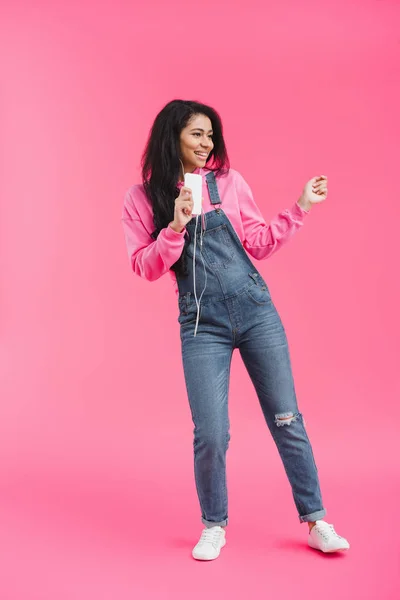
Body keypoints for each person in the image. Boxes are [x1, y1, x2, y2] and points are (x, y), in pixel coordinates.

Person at [121, 99, 350, 561]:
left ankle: (316, 520)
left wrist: (301, 205)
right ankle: (213, 525)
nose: (207, 144)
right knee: (210, 432)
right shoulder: (142, 198)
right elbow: (143, 267)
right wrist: (175, 227)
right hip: (202, 324)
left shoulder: (228, 182)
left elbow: (260, 245)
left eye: (210, 135)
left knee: (287, 419)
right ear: (173, 138)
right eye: (196, 135)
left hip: (256, 311)